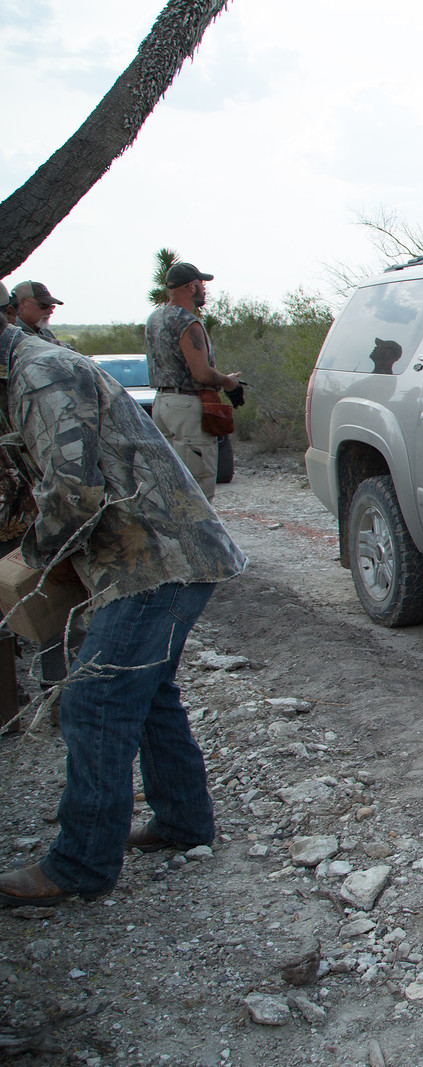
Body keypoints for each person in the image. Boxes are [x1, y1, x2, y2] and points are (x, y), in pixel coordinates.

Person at [0, 330, 246, 906]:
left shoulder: (41, 374)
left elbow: (73, 491)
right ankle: (183, 822)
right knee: (150, 695)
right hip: (160, 556)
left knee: (95, 702)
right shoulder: (26, 375)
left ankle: (79, 866)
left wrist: (26, 561)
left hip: (156, 561)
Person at [145, 261, 239, 499]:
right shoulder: (187, 322)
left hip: (161, 405)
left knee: (170, 485)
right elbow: (201, 373)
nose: (204, 289)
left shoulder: (154, 318)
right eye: (201, 284)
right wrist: (229, 382)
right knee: (196, 488)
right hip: (187, 409)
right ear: (190, 286)